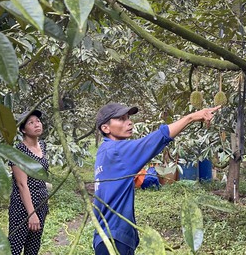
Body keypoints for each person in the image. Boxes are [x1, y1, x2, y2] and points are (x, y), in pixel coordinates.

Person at [92, 102, 220, 255]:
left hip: (106, 235)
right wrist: (191, 117)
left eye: (128, 118)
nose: (129, 122)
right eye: (121, 119)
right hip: (114, 238)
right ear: (105, 128)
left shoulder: (104, 151)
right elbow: (158, 138)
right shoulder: (117, 151)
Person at [8, 109, 50, 255]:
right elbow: (21, 185)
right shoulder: (19, 151)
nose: (36, 124)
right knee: (15, 246)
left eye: (38, 121)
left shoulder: (43, 146)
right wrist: (31, 214)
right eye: (31, 123)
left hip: (41, 202)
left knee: (33, 246)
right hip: (23, 206)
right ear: (23, 129)